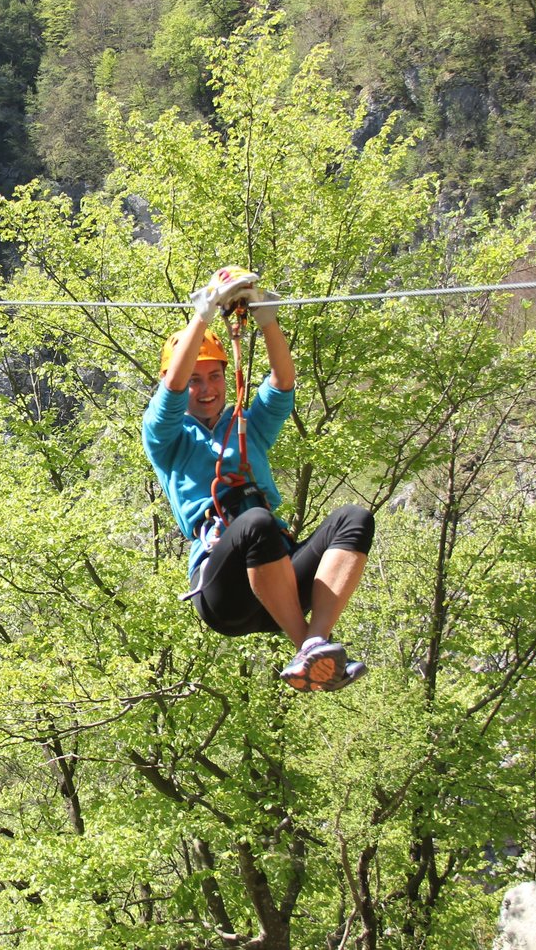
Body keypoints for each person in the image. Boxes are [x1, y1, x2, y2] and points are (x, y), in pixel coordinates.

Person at [141, 266, 375, 691]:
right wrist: (205, 314)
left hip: (276, 574)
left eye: (214, 376)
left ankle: (317, 639)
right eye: (195, 380)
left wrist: (267, 318)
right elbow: (172, 393)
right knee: (254, 523)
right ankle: (305, 643)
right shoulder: (166, 436)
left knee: (353, 518)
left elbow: (283, 383)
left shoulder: (246, 425)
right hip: (223, 589)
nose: (207, 388)